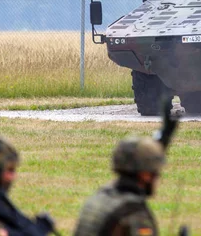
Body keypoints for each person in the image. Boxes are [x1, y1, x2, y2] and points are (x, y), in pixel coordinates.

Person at [73, 100, 187, 236]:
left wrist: (165, 136)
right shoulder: (132, 213)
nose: (157, 178)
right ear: (145, 175)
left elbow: (137, 156)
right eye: (155, 173)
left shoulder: (100, 199)